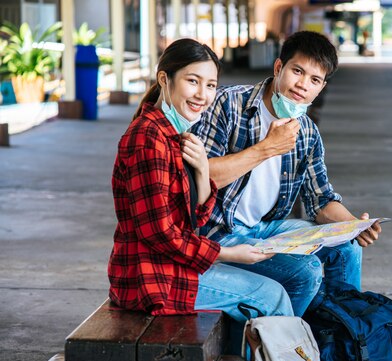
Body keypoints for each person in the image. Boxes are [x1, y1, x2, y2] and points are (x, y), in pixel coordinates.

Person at [191, 31, 382, 318]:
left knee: (347, 247)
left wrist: (353, 225)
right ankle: (280, 350)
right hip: (220, 234)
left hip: (265, 229)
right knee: (306, 271)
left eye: (315, 80)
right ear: (279, 68)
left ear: (321, 87)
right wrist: (266, 148)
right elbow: (202, 178)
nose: (303, 85)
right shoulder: (228, 104)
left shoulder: (307, 132)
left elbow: (322, 201)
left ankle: (342, 338)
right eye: (297, 71)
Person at [108, 38, 293, 321]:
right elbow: (160, 234)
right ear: (164, 79)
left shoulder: (176, 134)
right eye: (192, 81)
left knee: (278, 285)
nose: (203, 96)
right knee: (271, 295)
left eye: (210, 85)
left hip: (173, 265)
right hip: (153, 278)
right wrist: (230, 254)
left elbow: (193, 217)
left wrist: (202, 171)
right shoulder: (148, 139)